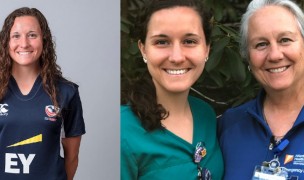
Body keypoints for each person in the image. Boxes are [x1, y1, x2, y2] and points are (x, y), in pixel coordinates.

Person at [121, 0, 224, 179]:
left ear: (207, 49)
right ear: (143, 50)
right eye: (162, 42)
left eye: (189, 41)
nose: (177, 57)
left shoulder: (205, 113)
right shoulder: (123, 130)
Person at [218, 0, 304, 179]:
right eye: (261, 44)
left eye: (285, 40)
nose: (274, 55)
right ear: (248, 57)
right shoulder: (228, 125)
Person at [0, 7, 85, 180]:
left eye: (32, 35)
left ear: (44, 40)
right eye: (16, 36)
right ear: (5, 42)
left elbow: (72, 157)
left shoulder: (66, 91)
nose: (24, 43)